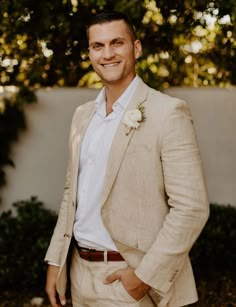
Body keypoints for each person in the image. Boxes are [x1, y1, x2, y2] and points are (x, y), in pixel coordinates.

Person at [45, 11, 209, 307]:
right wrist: (56, 259)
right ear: (90, 53)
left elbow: (191, 208)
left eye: (117, 43)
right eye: (98, 46)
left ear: (136, 48)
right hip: (79, 273)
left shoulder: (168, 112)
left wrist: (144, 277)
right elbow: (72, 194)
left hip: (130, 279)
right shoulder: (82, 116)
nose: (107, 54)